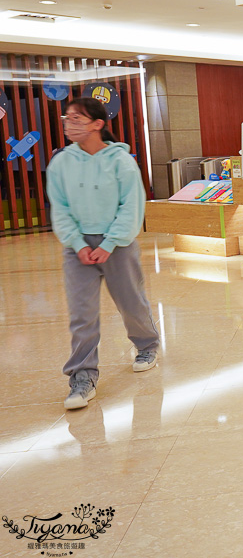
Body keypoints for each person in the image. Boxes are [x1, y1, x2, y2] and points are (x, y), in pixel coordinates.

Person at [47, 97, 161, 410]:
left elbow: (132, 206)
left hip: (118, 245)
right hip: (78, 248)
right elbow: (60, 208)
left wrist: (109, 243)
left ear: (98, 124)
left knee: (131, 302)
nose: (69, 124)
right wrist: (78, 243)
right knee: (81, 314)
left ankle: (147, 346)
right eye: (67, 118)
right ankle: (82, 377)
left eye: (77, 119)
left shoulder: (120, 161)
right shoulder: (61, 163)